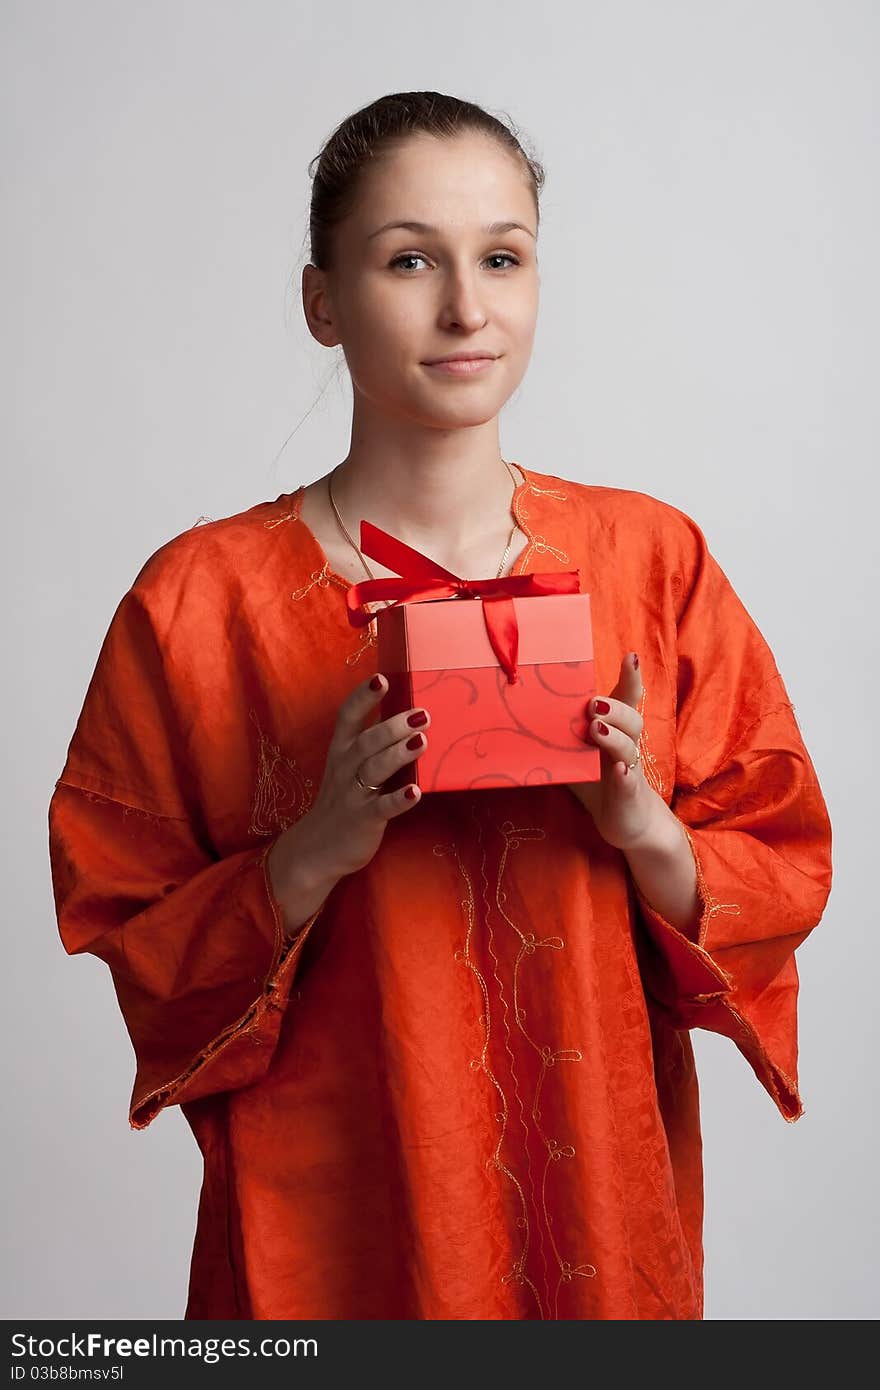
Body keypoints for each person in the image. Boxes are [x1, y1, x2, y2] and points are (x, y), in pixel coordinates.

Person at [47, 90, 833, 1321]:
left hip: (596, 1206)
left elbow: (781, 868)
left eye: (502, 258)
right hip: (332, 1217)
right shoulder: (199, 600)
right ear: (321, 300)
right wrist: (308, 852)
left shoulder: (651, 559)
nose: (467, 307)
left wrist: (640, 824)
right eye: (409, 259)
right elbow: (130, 930)